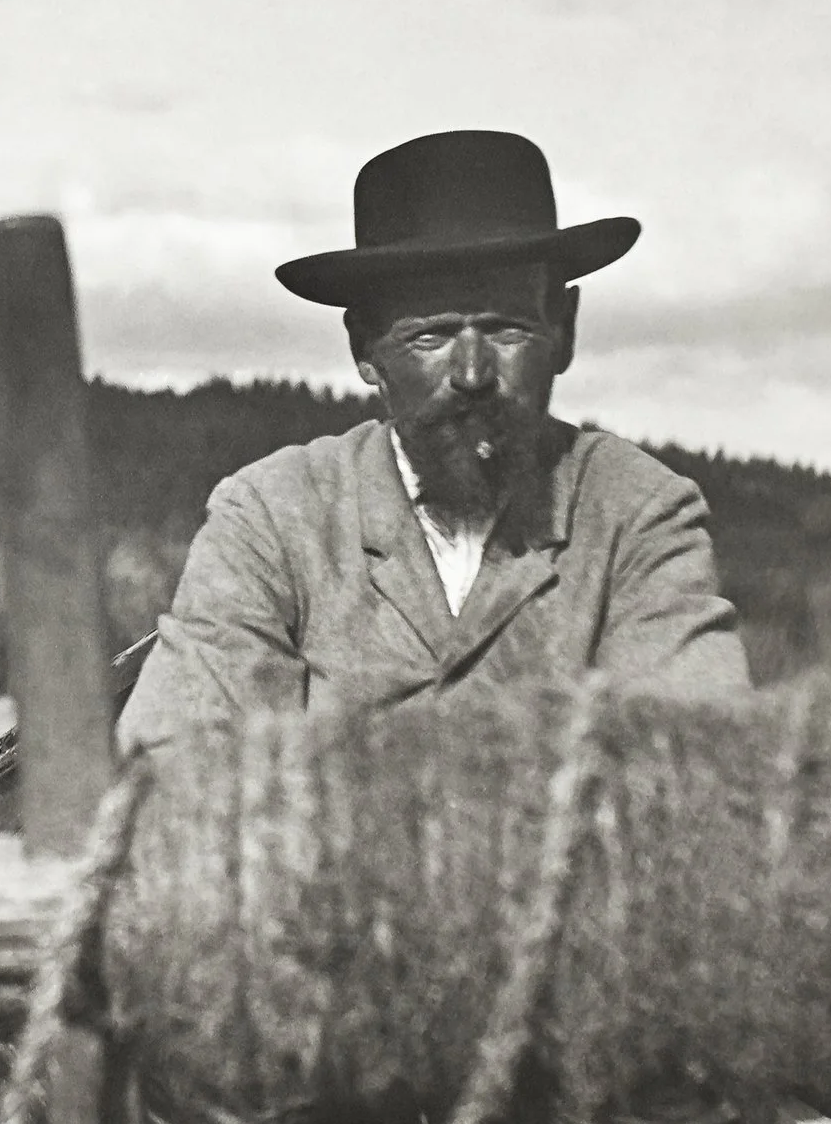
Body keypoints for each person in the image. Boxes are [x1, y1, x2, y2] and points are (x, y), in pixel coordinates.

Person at [119, 129, 748, 753]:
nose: (472, 374)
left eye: (507, 330)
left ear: (565, 330)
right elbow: (177, 764)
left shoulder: (636, 513)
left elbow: (699, 761)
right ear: (366, 350)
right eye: (431, 337)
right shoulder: (273, 517)